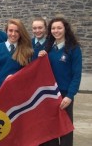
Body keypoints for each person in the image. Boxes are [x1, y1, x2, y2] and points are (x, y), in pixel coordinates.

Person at [38, 17, 82, 146]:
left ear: (65, 29)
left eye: (59, 28)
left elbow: (76, 75)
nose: (56, 31)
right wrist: (42, 56)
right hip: (49, 93)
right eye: (53, 28)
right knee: (50, 126)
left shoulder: (74, 49)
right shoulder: (49, 48)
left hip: (64, 94)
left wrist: (70, 95)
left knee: (65, 128)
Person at [0, 18, 33, 91]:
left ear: (21, 33)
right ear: (6, 31)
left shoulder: (25, 50)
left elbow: (27, 73)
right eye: (10, 30)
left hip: (16, 90)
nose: (13, 34)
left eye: (17, 31)